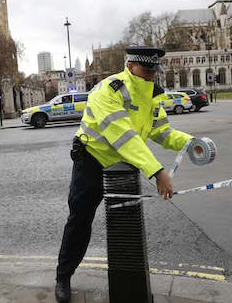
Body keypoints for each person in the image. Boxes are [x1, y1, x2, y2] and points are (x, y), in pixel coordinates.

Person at [55, 46, 195, 303]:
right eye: (146, 70)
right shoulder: (108, 90)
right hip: (92, 162)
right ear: (130, 66)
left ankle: (127, 282)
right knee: (80, 221)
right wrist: (157, 172)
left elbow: (162, 132)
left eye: (154, 71)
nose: (150, 77)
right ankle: (63, 276)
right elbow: (124, 136)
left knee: (125, 226)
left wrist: (191, 143)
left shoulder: (152, 96)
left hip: (123, 167)